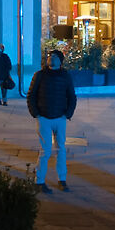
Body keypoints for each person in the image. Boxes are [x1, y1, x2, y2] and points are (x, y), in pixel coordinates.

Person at [28, 48, 78, 191]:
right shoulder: (39, 75)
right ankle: (39, 181)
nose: (51, 58)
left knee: (61, 149)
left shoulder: (65, 76)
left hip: (60, 118)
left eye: (55, 56)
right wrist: (36, 114)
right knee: (46, 151)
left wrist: (67, 114)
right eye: (50, 56)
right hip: (44, 117)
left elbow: (72, 96)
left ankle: (62, 179)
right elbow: (31, 95)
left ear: (60, 61)